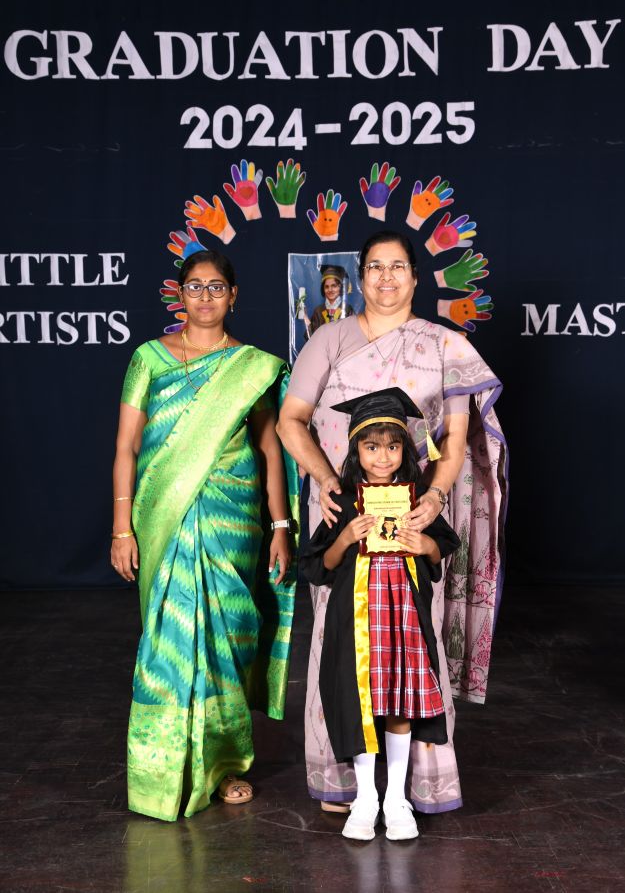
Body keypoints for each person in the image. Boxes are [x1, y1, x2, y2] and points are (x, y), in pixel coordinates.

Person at [277, 229, 507, 816]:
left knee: (414, 634)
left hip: (413, 511)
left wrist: (434, 500)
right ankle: (343, 777)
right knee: (339, 638)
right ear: (360, 278)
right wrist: (328, 482)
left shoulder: (446, 345)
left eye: (397, 266)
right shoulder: (328, 339)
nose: (386, 277)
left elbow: (454, 440)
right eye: (375, 266)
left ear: (415, 276)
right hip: (343, 511)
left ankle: (420, 780)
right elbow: (290, 421)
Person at [111, 247, 298, 822]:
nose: (206, 297)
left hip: (233, 520)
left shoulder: (253, 366)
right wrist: (121, 526)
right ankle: (162, 766)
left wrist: (281, 525)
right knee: (168, 642)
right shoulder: (149, 358)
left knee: (230, 638)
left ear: (233, 296)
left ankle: (226, 765)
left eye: (217, 287)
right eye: (195, 286)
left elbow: (270, 449)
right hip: (164, 517)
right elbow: (127, 447)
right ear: (179, 294)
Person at [300, 388, 460, 840]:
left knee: (400, 700)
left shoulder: (417, 499)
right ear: (356, 450)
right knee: (362, 702)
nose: (383, 457)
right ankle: (367, 797)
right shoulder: (343, 501)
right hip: (357, 620)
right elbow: (320, 566)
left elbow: (441, 549)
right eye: (372, 447)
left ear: (406, 450)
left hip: (404, 615)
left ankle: (396, 799)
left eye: (393, 446)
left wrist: (424, 544)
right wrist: (345, 538)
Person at [304, 265, 355, 337]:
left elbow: (353, 335)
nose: (330, 290)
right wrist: (305, 317)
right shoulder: (318, 311)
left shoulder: (348, 310)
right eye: (326, 287)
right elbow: (311, 336)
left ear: (340, 287)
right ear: (323, 289)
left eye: (334, 286)